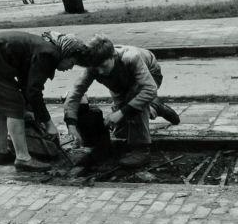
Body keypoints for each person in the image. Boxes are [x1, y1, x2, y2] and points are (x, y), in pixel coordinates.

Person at [0, 31, 89, 172]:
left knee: (6, 105)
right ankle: (23, 158)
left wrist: (32, 112)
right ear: (65, 54)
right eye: (72, 62)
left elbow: (27, 84)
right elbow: (34, 92)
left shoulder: (46, 48)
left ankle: (1, 152)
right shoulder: (49, 54)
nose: (70, 68)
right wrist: (49, 124)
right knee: (14, 106)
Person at [64, 35, 180, 168]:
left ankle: (141, 150)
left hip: (148, 75)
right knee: (121, 132)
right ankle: (154, 107)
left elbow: (149, 89)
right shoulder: (94, 66)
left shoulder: (131, 57)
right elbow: (76, 93)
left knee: (132, 107)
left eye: (103, 66)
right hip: (119, 82)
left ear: (113, 55)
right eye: (96, 68)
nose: (100, 72)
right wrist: (71, 125)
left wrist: (122, 112)